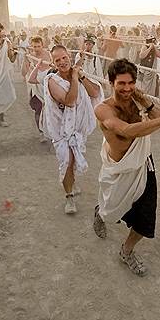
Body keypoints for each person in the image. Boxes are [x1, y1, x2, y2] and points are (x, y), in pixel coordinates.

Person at [93, 59, 160, 276]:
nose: (127, 88)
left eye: (131, 83)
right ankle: (100, 212)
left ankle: (127, 251)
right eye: (121, 83)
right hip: (118, 169)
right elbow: (126, 130)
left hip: (143, 164)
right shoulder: (103, 109)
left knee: (147, 215)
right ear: (111, 82)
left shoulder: (139, 101)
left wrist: (148, 104)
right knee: (109, 207)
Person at [43, 45, 103, 214]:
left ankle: (72, 182)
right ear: (53, 63)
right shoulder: (52, 81)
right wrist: (75, 78)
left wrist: (81, 76)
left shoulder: (78, 75)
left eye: (64, 57)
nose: (62, 62)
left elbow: (95, 93)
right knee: (67, 162)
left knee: (73, 161)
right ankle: (69, 197)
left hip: (77, 129)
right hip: (61, 132)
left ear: (69, 56)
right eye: (57, 60)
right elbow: (69, 101)